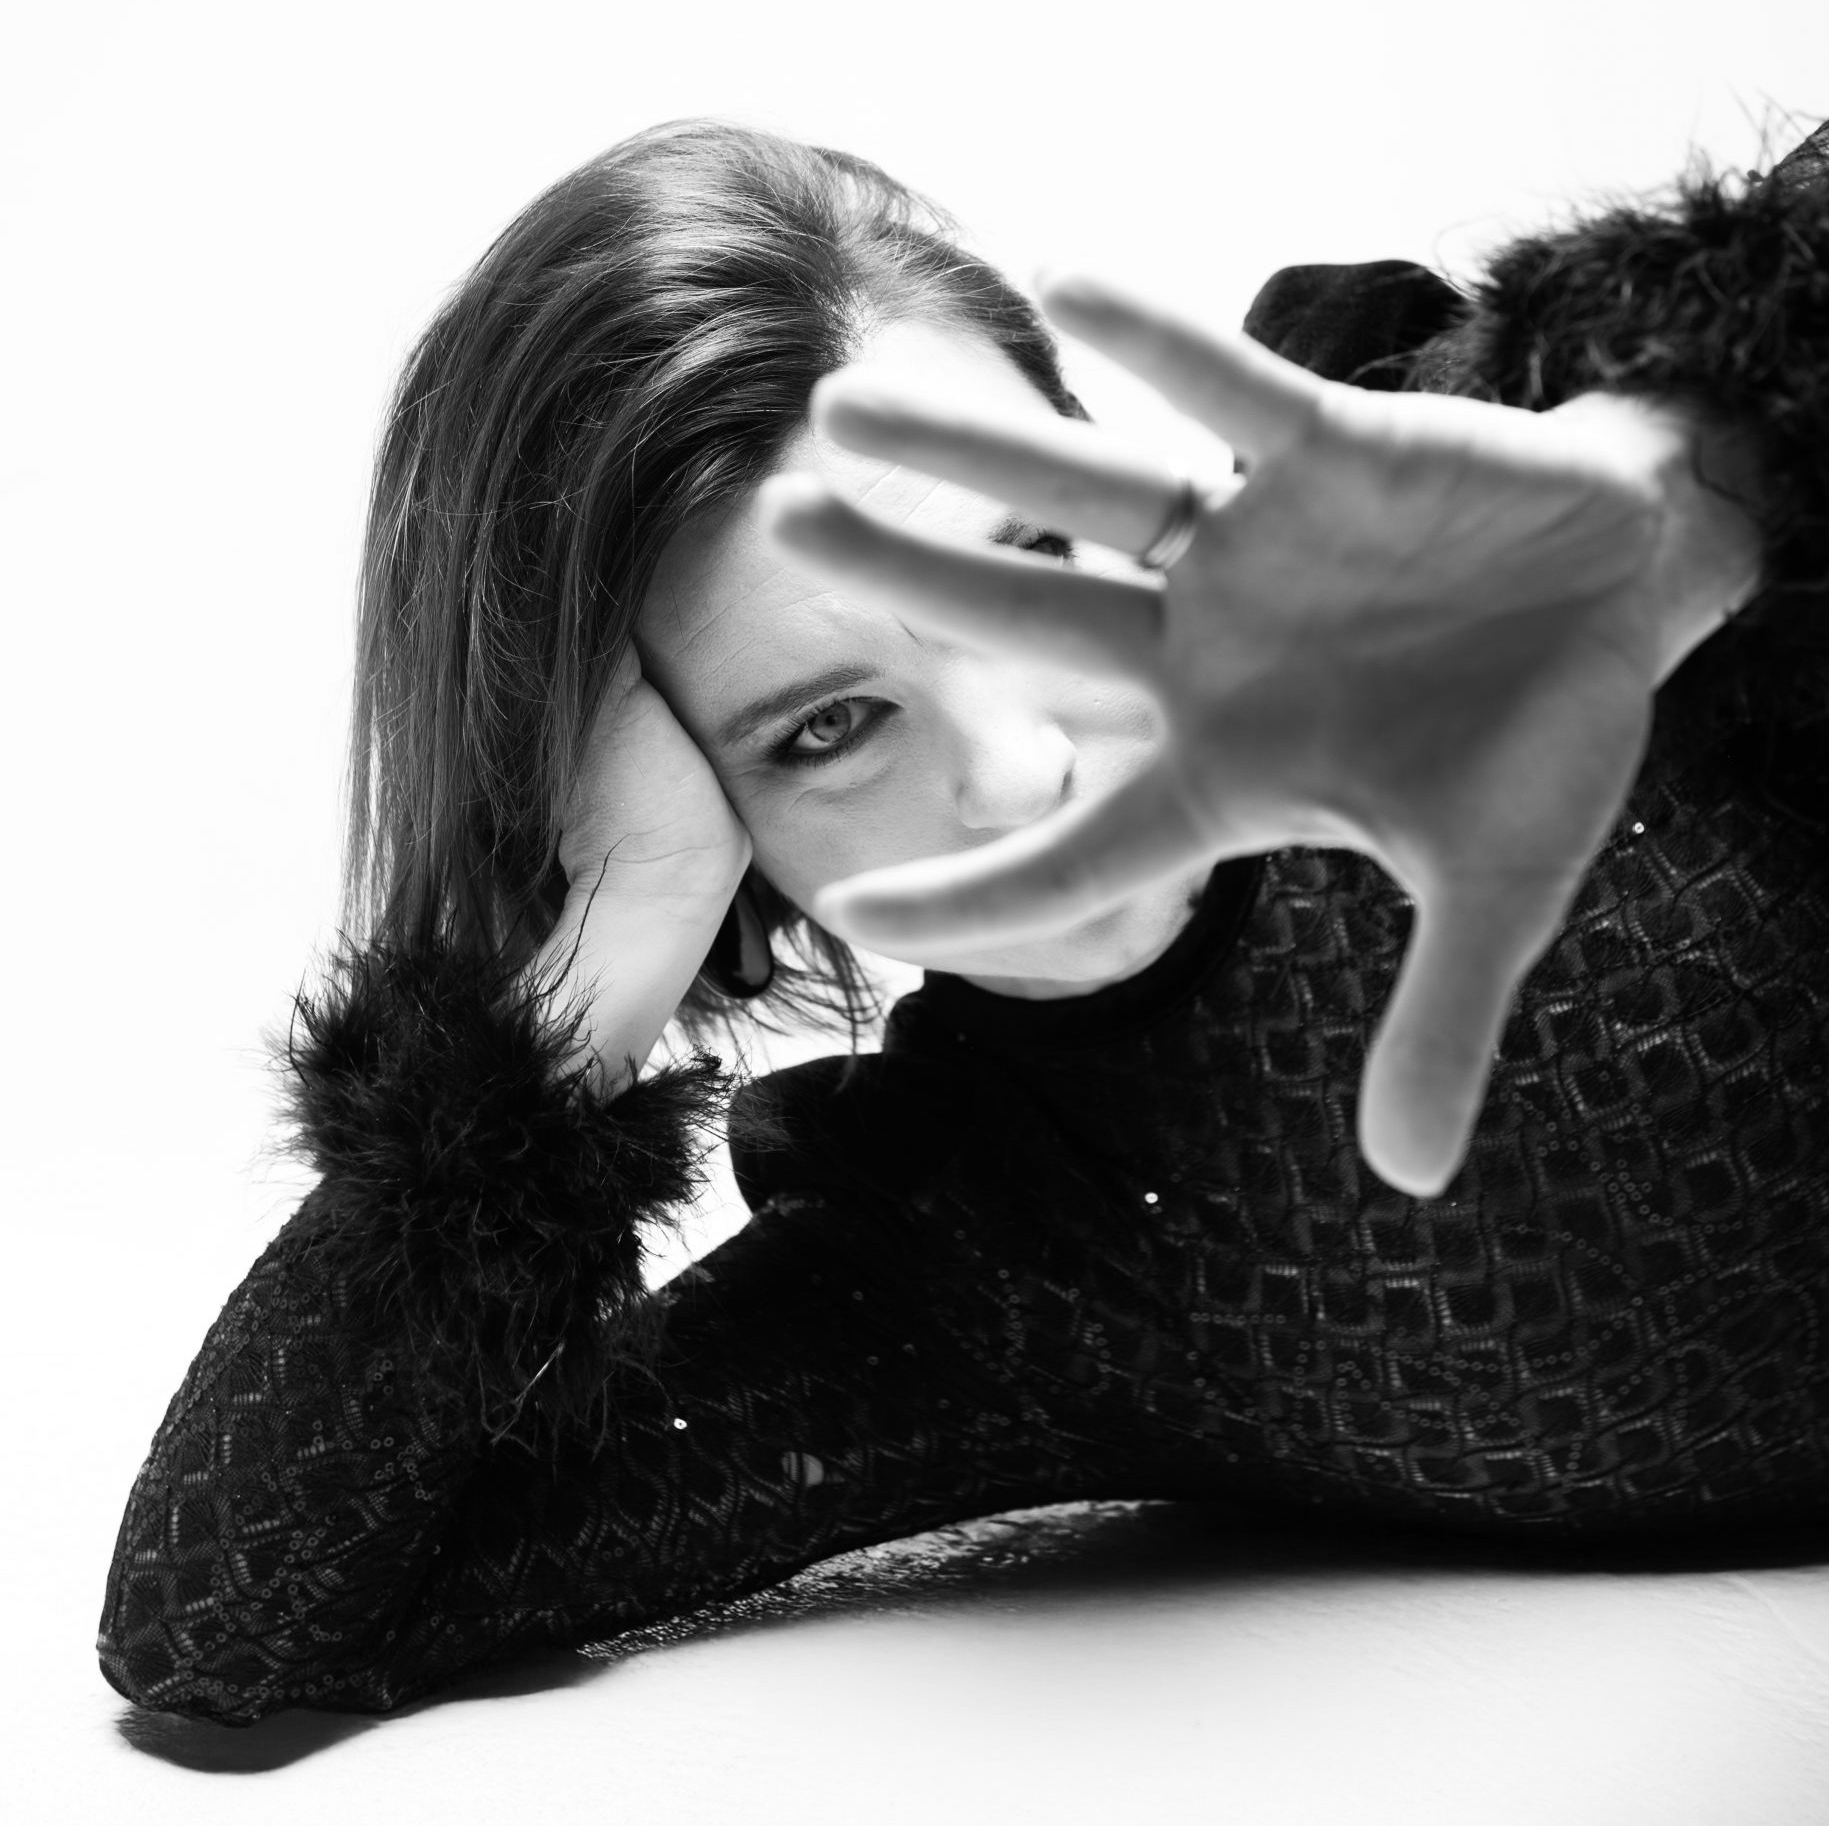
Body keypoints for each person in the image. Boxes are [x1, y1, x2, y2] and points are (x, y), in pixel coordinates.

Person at [98, 116, 1829, 1727]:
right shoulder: (965, 1267)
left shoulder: (1495, 576)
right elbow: (230, 1617)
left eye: (1031, 558)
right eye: (825, 728)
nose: (1018, 766)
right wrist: (599, 964)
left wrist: (1712, 454)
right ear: (711, 824)